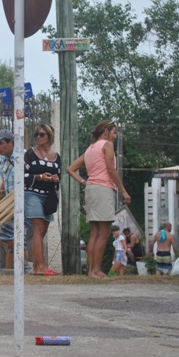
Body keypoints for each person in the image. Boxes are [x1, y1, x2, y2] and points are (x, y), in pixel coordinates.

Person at [66, 120, 131, 279]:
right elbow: (111, 169)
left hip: (91, 189)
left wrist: (84, 182)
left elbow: (70, 168)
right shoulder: (107, 145)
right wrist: (123, 191)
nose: (115, 136)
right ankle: (97, 271)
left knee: (95, 231)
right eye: (114, 132)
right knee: (104, 232)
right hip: (103, 189)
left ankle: (91, 271)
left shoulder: (90, 149)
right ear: (106, 131)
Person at [24, 123, 61, 276]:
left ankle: (36, 267)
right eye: (36, 135)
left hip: (48, 196)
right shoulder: (30, 154)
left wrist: (55, 178)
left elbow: (60, 177)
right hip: (33, 194)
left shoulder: (57, 157)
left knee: (43, 230)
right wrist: (39, 177)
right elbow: (21, 175)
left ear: (50, 137)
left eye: (42, 134)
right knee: (38, 228)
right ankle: (41, 267)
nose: (38, 137)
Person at [0, 128, 28, 272]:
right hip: (8, 203)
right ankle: (21, 264)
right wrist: (1, 189)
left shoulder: (23, 156)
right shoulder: (2, 158)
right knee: (7, 235)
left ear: (11, 143)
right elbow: (5, 176)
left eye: (1, 143)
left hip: (21, 202)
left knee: (18, 235)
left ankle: (25, 266)